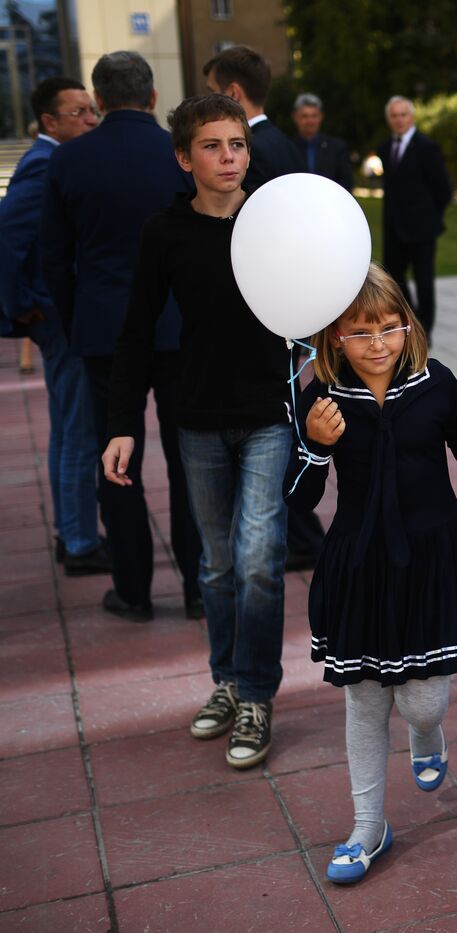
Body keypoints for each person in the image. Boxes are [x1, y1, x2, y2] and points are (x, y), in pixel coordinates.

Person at [285, 265, 457, 884]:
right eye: (363, 332)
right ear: (335, 336)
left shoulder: (434, 384)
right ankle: (368, 828)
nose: (381, 343)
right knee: (364, 701)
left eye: (391, 326)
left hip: (432, 556)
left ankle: (427, 735)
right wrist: (312, 444)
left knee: (421, 700)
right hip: (359, 561)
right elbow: (300, 500)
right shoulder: (320, 397)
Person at [102, 94, 292, 770]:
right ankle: (229, 681)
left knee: (259, 559)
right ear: (184, 158)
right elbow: (134, 333)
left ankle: (258, 695)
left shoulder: (275, 218)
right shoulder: (165, 233)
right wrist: (123, 423)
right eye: (211, 146)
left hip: (271, 413)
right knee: (214, 565)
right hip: (198, 418)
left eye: (237, 144)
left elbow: (324, 299)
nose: (228, 157)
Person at [41, 50, 203, 622]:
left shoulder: (69, 160)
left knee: (116, 459)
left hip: (106, 331)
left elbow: (54, 259)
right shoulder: (181, 155)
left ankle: (133, 591)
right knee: (192, 461)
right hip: (180, 327)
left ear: (100, 100)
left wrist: (71, 319)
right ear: (154, 97)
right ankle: (199, 590)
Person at [205, 49, 325, 570]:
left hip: (268, 308)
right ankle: (301, 529)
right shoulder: (279, 142)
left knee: (282, 423)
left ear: (232, 93)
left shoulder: (260, 149)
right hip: (282, 306)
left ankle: (301, 531)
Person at [0, 76, 109, 577]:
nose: (90, 120)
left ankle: (73, 532)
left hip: (57, 314)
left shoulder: (51, 161)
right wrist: (21, 306)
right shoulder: (44, 164)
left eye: (91, 111)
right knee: (78, 429)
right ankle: (82, 542)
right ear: (49, 121)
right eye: (79, 113)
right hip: (59, 318)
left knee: (69, 428)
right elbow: (6, 237)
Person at [376, 96, 451, 338]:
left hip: (422, 229)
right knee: (394, 280)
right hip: (394, 229)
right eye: (394, 116)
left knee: (424, 282)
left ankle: (424, 331)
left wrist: (429, 216)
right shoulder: (386, 148)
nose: (399, 120)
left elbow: (443, 190)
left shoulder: (427, 147)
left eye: (403, 115)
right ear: (389, 119)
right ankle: (410, 320)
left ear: (412, 117)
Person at [203, 46, 305, 193]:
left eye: (213, 92)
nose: (210, 101)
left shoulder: (248, 150)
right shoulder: (287, 144)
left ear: (233, 93)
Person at [293, 92, 354, 191]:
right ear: (295, 117)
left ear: (321, 116)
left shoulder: (337, 148)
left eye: (314, 116)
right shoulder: (287, 148)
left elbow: (346, 182)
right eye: (304, 116)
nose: (310, 121)